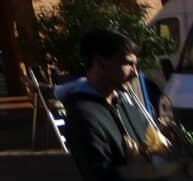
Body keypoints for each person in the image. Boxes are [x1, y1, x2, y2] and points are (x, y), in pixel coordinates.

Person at [61, 29, 174, 180]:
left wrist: (164, 142)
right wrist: (133, 170)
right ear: (99, 62)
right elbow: (99, 175)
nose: (135, 73)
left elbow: (148, 145)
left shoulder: (124, 102)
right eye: (128, 64)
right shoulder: (82, 116)